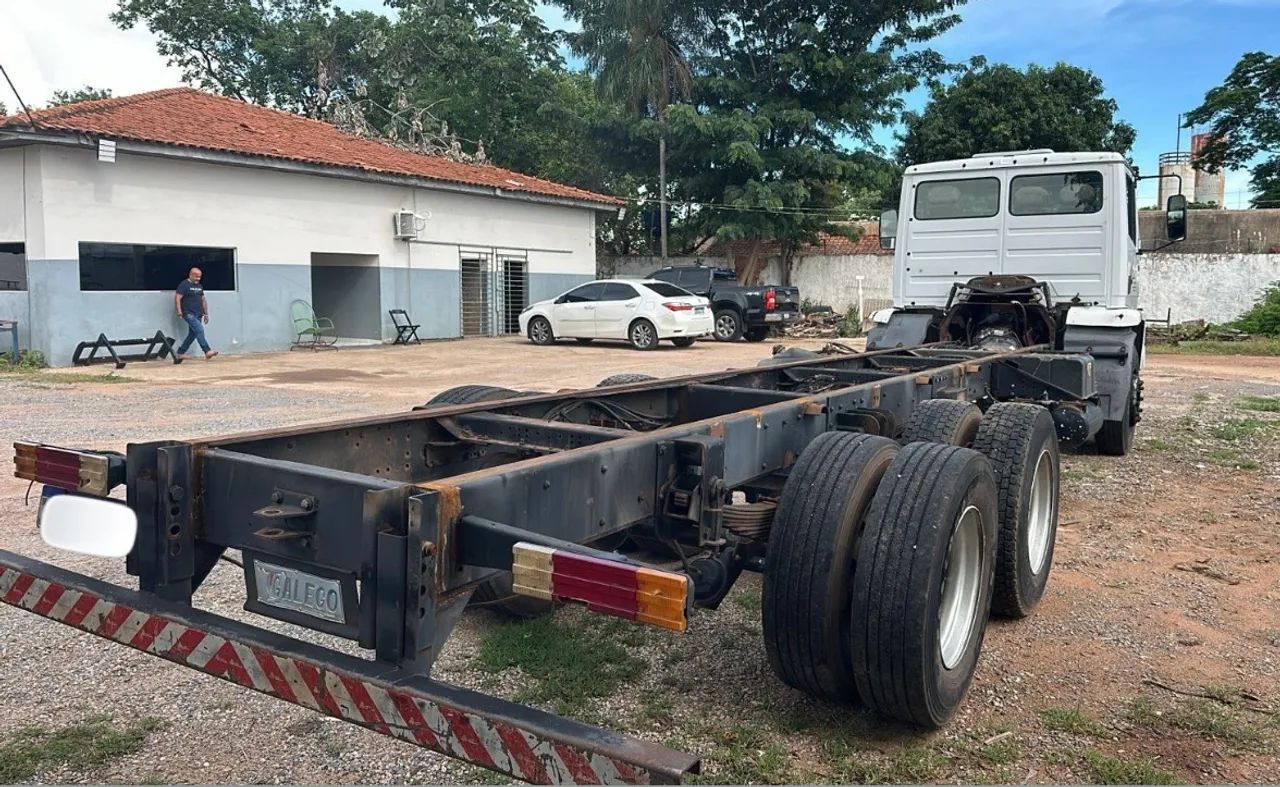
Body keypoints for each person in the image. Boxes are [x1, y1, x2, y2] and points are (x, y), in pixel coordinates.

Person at [175, 267, 219, 360]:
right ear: (190, 275)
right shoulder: (184, 285)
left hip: (198, 314)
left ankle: (180, 352)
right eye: (196, 277)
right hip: (188, 313)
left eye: (199, 277)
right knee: (199, 330)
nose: (198, 279)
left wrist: (206, 314)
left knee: (192, 334)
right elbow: (178, 297)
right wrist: (179, 311)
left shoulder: (199, 286)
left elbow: (203, 300)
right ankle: (207, 350)